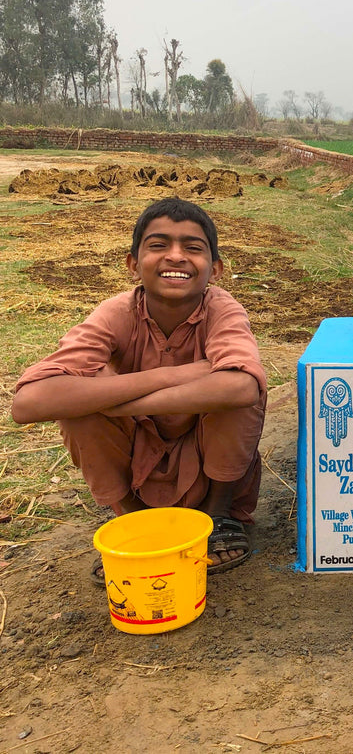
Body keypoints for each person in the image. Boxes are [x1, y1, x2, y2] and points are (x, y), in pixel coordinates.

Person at [11, 198, 267, 581]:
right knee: (78, 406)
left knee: (239, 393)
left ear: (215, 270)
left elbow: (242, 386)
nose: (176, 257)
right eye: (159, 245)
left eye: (193, 247)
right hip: (137, 465)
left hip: (208, 469)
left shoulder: (222, 310)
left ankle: (217, 519)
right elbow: (28, 402)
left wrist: (117, 399)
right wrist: (173, 375)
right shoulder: (115, 314)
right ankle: (132, 522)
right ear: (133, 264)